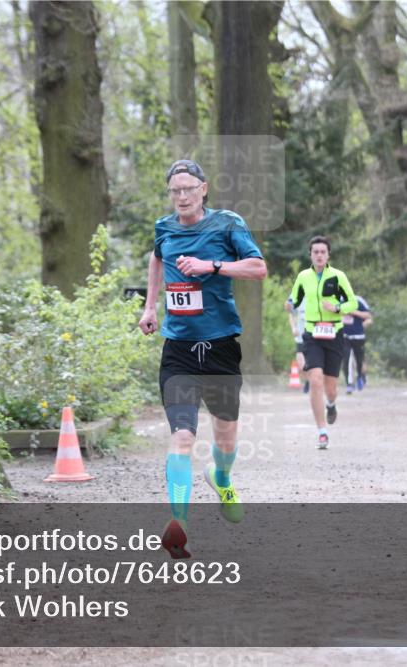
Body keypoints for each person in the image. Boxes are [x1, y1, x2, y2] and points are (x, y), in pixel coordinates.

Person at [138, 159, 267, 559]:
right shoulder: (164, 228)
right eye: (175, 190)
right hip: (178, 349)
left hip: (220, 346)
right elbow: (157, 257)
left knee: (225, 436)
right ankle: (179, 524)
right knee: (182, 437)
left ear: (204, 189)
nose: (181, 197)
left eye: (188, 189)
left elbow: (259, 268)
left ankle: (221, 476)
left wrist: (212, 266)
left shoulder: (228, 224)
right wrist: (150, 307)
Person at [285, 236, 358, 449]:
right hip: (312, 333)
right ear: (310, 254)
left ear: (328, 255)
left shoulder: (338, 276)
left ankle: (331, 403)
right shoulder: (303, 277)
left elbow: (352, 302)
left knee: (331, 387)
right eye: (315, 251)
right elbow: (294, 299)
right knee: (315, 379)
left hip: (334, 333)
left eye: (322, 252)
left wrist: (337, 308)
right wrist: (289, 304)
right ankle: (322, 431)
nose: (318, 255)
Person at [342, 295, 372, 393]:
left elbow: (368, 316)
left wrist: (353, 312)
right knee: (347, 359)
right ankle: (349, 383)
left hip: (358, 336)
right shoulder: (338, 300)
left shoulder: (358, 300)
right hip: (344, 336)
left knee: (359, 360)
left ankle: (360, 376)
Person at [287, 297, 309, 393]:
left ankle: (311, 382)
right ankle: (308, 380)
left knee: (312, 361)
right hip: (300, 337)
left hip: (312, 337)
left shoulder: (315, 297)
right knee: (301, 364)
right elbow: (291, 315)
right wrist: (293, 328)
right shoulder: (298, 299)